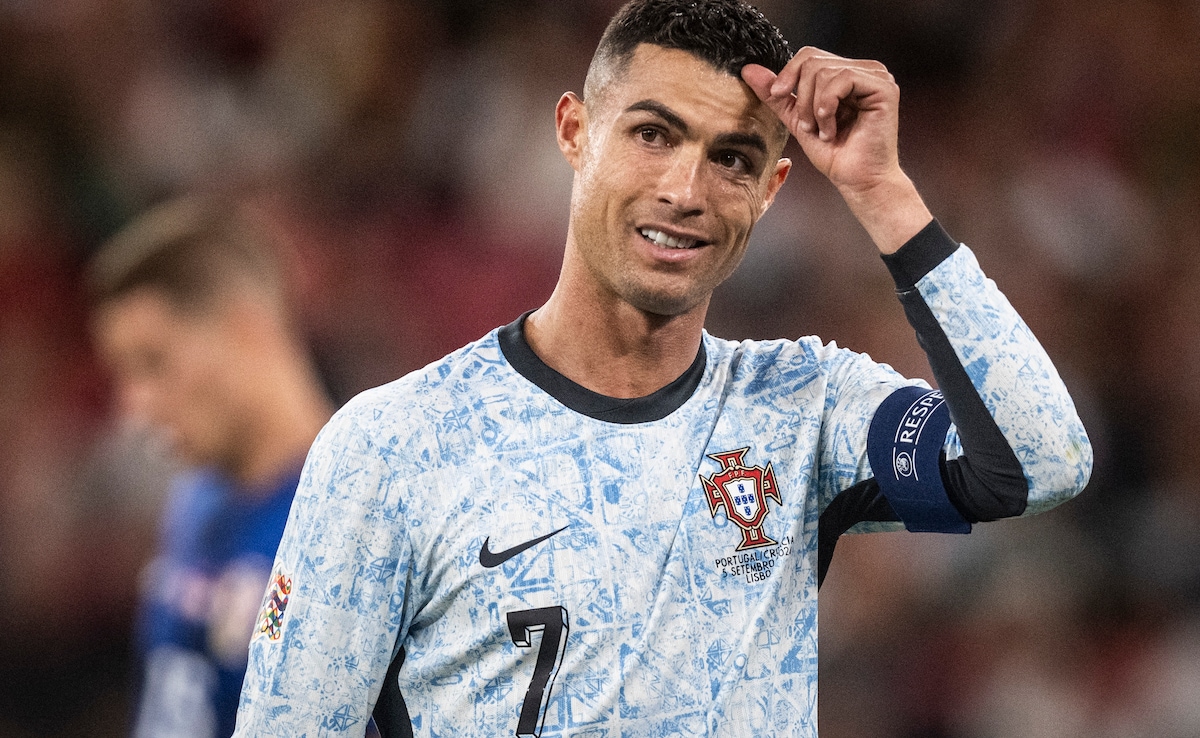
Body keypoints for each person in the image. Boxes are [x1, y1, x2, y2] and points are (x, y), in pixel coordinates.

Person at [235, 1, 1093, 735]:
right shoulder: (393, 447)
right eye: (653, 134)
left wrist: (883, 193)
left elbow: (1040, 461)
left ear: (771, 190)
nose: (687, 191)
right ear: (574, 131)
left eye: (732, 159)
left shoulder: (805, 410)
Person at [88, 196, 337, 738]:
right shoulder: (194, 501)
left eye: (153, 363)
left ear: (246, 329)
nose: (135, 405)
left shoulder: (351, 518)